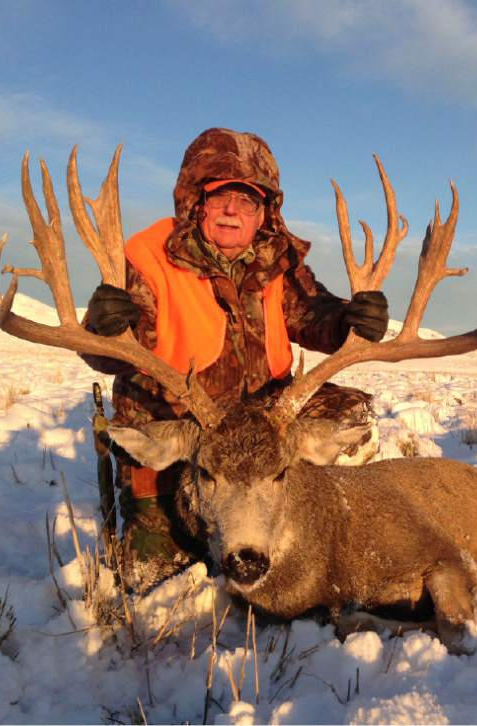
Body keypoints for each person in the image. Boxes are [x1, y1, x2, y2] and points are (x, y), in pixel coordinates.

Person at [81, 128, 388, 591]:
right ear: (196, 202)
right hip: (185, 427)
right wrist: (102, 329)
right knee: (152, 579)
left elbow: (313, 316)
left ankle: (328, 516)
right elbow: (117, 349)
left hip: (267, 426)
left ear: (264, 213)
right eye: (221, 195)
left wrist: (352, 320)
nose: (232, 210)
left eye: (248, 201)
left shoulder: (276, 262)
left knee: (353, 415)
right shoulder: (152, 259)